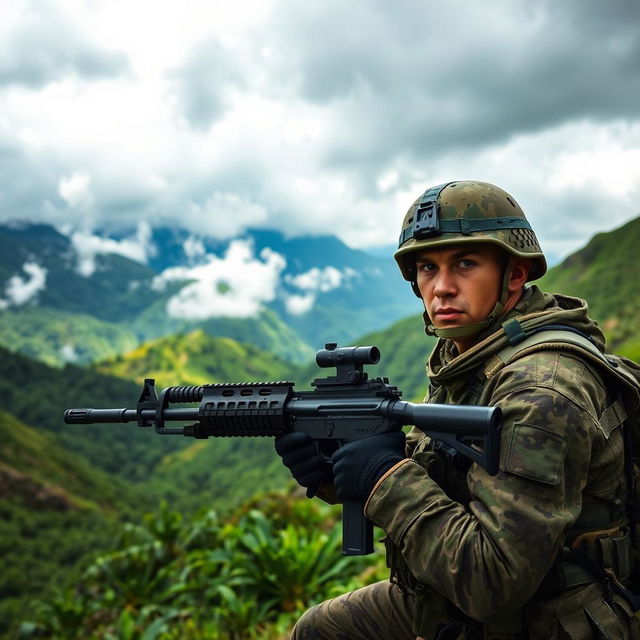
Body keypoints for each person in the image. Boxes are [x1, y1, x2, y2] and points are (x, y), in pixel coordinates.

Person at [275, 181, 640, 639]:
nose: (441, 288)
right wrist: (337, 470)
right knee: (321, 630)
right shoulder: (472, 356)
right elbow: (456, 468)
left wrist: (383, 477)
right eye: (428, 268)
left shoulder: (543, 388)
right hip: (458, 601)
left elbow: (494, 583)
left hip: (548, 616)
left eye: (465, 263)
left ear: (515, 273)